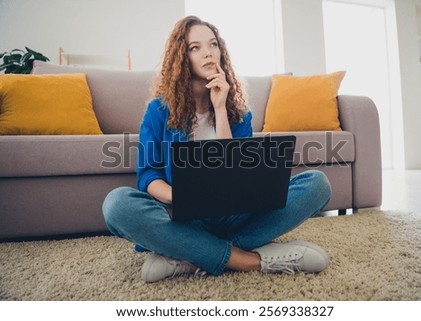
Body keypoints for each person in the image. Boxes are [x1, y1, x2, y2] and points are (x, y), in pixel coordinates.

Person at [102, 16, 332, 283]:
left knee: (318, 184)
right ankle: (249, 259)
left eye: (213, 44)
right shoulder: (158, 111)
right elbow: (148, 175)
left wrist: (221, 108)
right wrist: (182, 197)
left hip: (234, 215)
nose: (208, 52)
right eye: (195, 47)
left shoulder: (238, 115)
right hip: (187, 218)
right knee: (116, 204)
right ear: (181, 58)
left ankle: (187, 253)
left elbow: (236, 172)